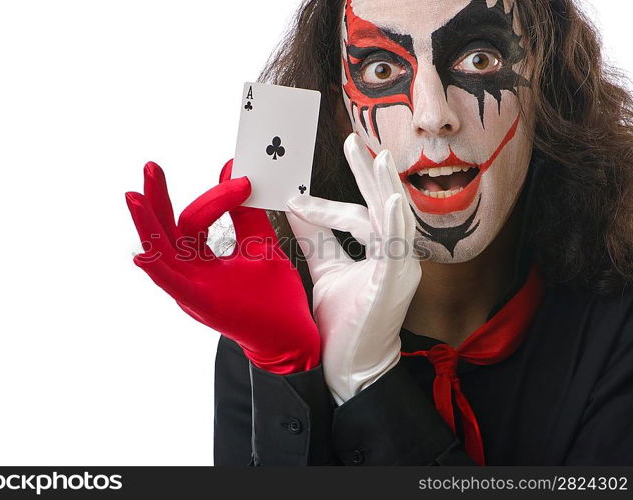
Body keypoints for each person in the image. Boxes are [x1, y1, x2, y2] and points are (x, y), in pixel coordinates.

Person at [126, 0, 633, 466]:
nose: (433, 116)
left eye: (480, 59)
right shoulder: (270, 333)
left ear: (547, 87)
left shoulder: (620, 322)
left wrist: (368, 382)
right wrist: (288, 370)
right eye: (381, 69)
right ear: (339, 113)